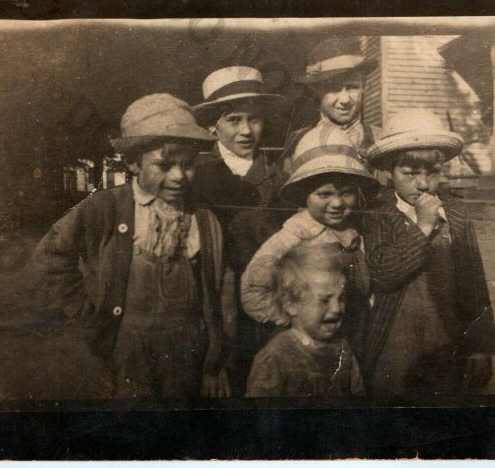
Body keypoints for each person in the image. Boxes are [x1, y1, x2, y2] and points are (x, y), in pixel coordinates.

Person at [33, 93, 232, 402]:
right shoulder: (104, 207)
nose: (179, 176)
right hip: (126, 347)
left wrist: (214, 362)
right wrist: (88, 314)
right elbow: (51, 256)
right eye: (164, 165)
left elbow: (221, 290)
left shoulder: (204, 219)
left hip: (189, 348)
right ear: (131, 162)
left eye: (188, 165)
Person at [360, 108, 495, 397]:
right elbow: (384, 273)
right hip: (394, 340)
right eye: (409, 173)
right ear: (389, 170)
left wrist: (480, 346)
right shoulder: (377, 213)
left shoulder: (456, 213)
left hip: (446, 336)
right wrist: (423, 225)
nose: (422, 184)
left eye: (432, 173)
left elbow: (474, 283)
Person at [191, 66, 288, 394]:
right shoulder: (196, 179)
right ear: (211, 125)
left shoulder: (281, 181)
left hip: (268, 307)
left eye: (254, 119)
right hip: (214, 309)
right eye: (234, 120)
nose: (246, 131)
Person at [241, 125, 378, 348]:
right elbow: (252, 290)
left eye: (347, 193)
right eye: (324, 194)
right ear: (305, 195)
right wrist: (291, 320)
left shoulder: (354, 236)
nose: (337, 203)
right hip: (307, 346)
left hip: (354, 341)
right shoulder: (291, 238)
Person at [245, 243, 365, 397]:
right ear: (291, 304)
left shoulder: (342, 348)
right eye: (324, 300)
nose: (336, 308)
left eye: (341, 298)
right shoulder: (275, 357)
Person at [279, 36, 377, 174]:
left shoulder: (381, 140)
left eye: (352, 87)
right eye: (334, 88)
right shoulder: (298, 140)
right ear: (317, 91)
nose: (345, 99)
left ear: (364, 87)